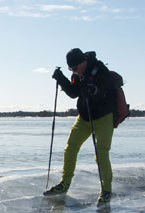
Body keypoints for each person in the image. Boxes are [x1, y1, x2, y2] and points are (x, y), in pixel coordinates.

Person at [46, 48, 119, 204]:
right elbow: (74, 93)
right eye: (70, 69)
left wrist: (95, 90)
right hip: (85, 118)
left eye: (75, 68)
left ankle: (106, 190)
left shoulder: (98, 69)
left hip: (104, 117)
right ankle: (64, 184)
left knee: (101, 153)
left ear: (83, 62)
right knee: (70, 148)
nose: (74, 71)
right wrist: (61, 79)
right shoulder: (77, 73)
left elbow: (110, 90)